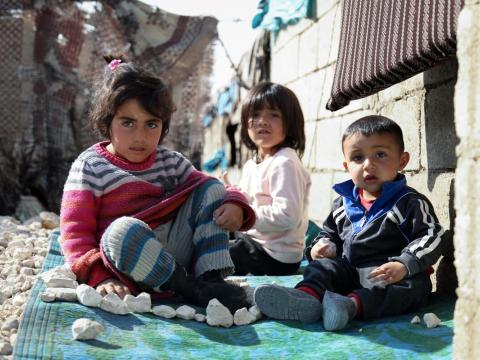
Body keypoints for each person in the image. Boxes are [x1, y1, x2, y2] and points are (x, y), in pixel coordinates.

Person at [59, 56, 255, 312]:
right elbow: (75, 234)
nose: (140, 136)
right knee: (120, 231)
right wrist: (99, 277)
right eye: (127, 123)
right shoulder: (91, 167)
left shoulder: (170, 162)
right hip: (127, 260)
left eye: (151, 124)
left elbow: (212, 188)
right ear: (107, 122)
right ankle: (188, 288)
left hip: (174, 253)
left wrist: (235, 204)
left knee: (213, 189)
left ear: (163, 126)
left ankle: (211, 280)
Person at [254, 115, 446, 330]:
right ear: (346, 166)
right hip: (349, 273)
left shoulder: (410, 203)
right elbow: (328, 234)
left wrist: (404, 264)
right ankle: (305, 298)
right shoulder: (343, 204)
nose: (368, 165)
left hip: (388, 276)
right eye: (357, 158)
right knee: (323, 268)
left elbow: (432, 235)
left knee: (415, 288)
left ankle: (350, 306)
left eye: (380, 155)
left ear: (402, 160)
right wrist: (322, 247)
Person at [226, 82, 311, 276]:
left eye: (274, 114)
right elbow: (247, 200)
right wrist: (231, 194)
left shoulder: (284, 162)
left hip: (275, 255)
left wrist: (243, 216)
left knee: (213, 256)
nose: (263, 121)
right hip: (254, 242)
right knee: (208, 237)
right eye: (255, 115)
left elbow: (287, 215)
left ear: (290, 123)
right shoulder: (252, 164)